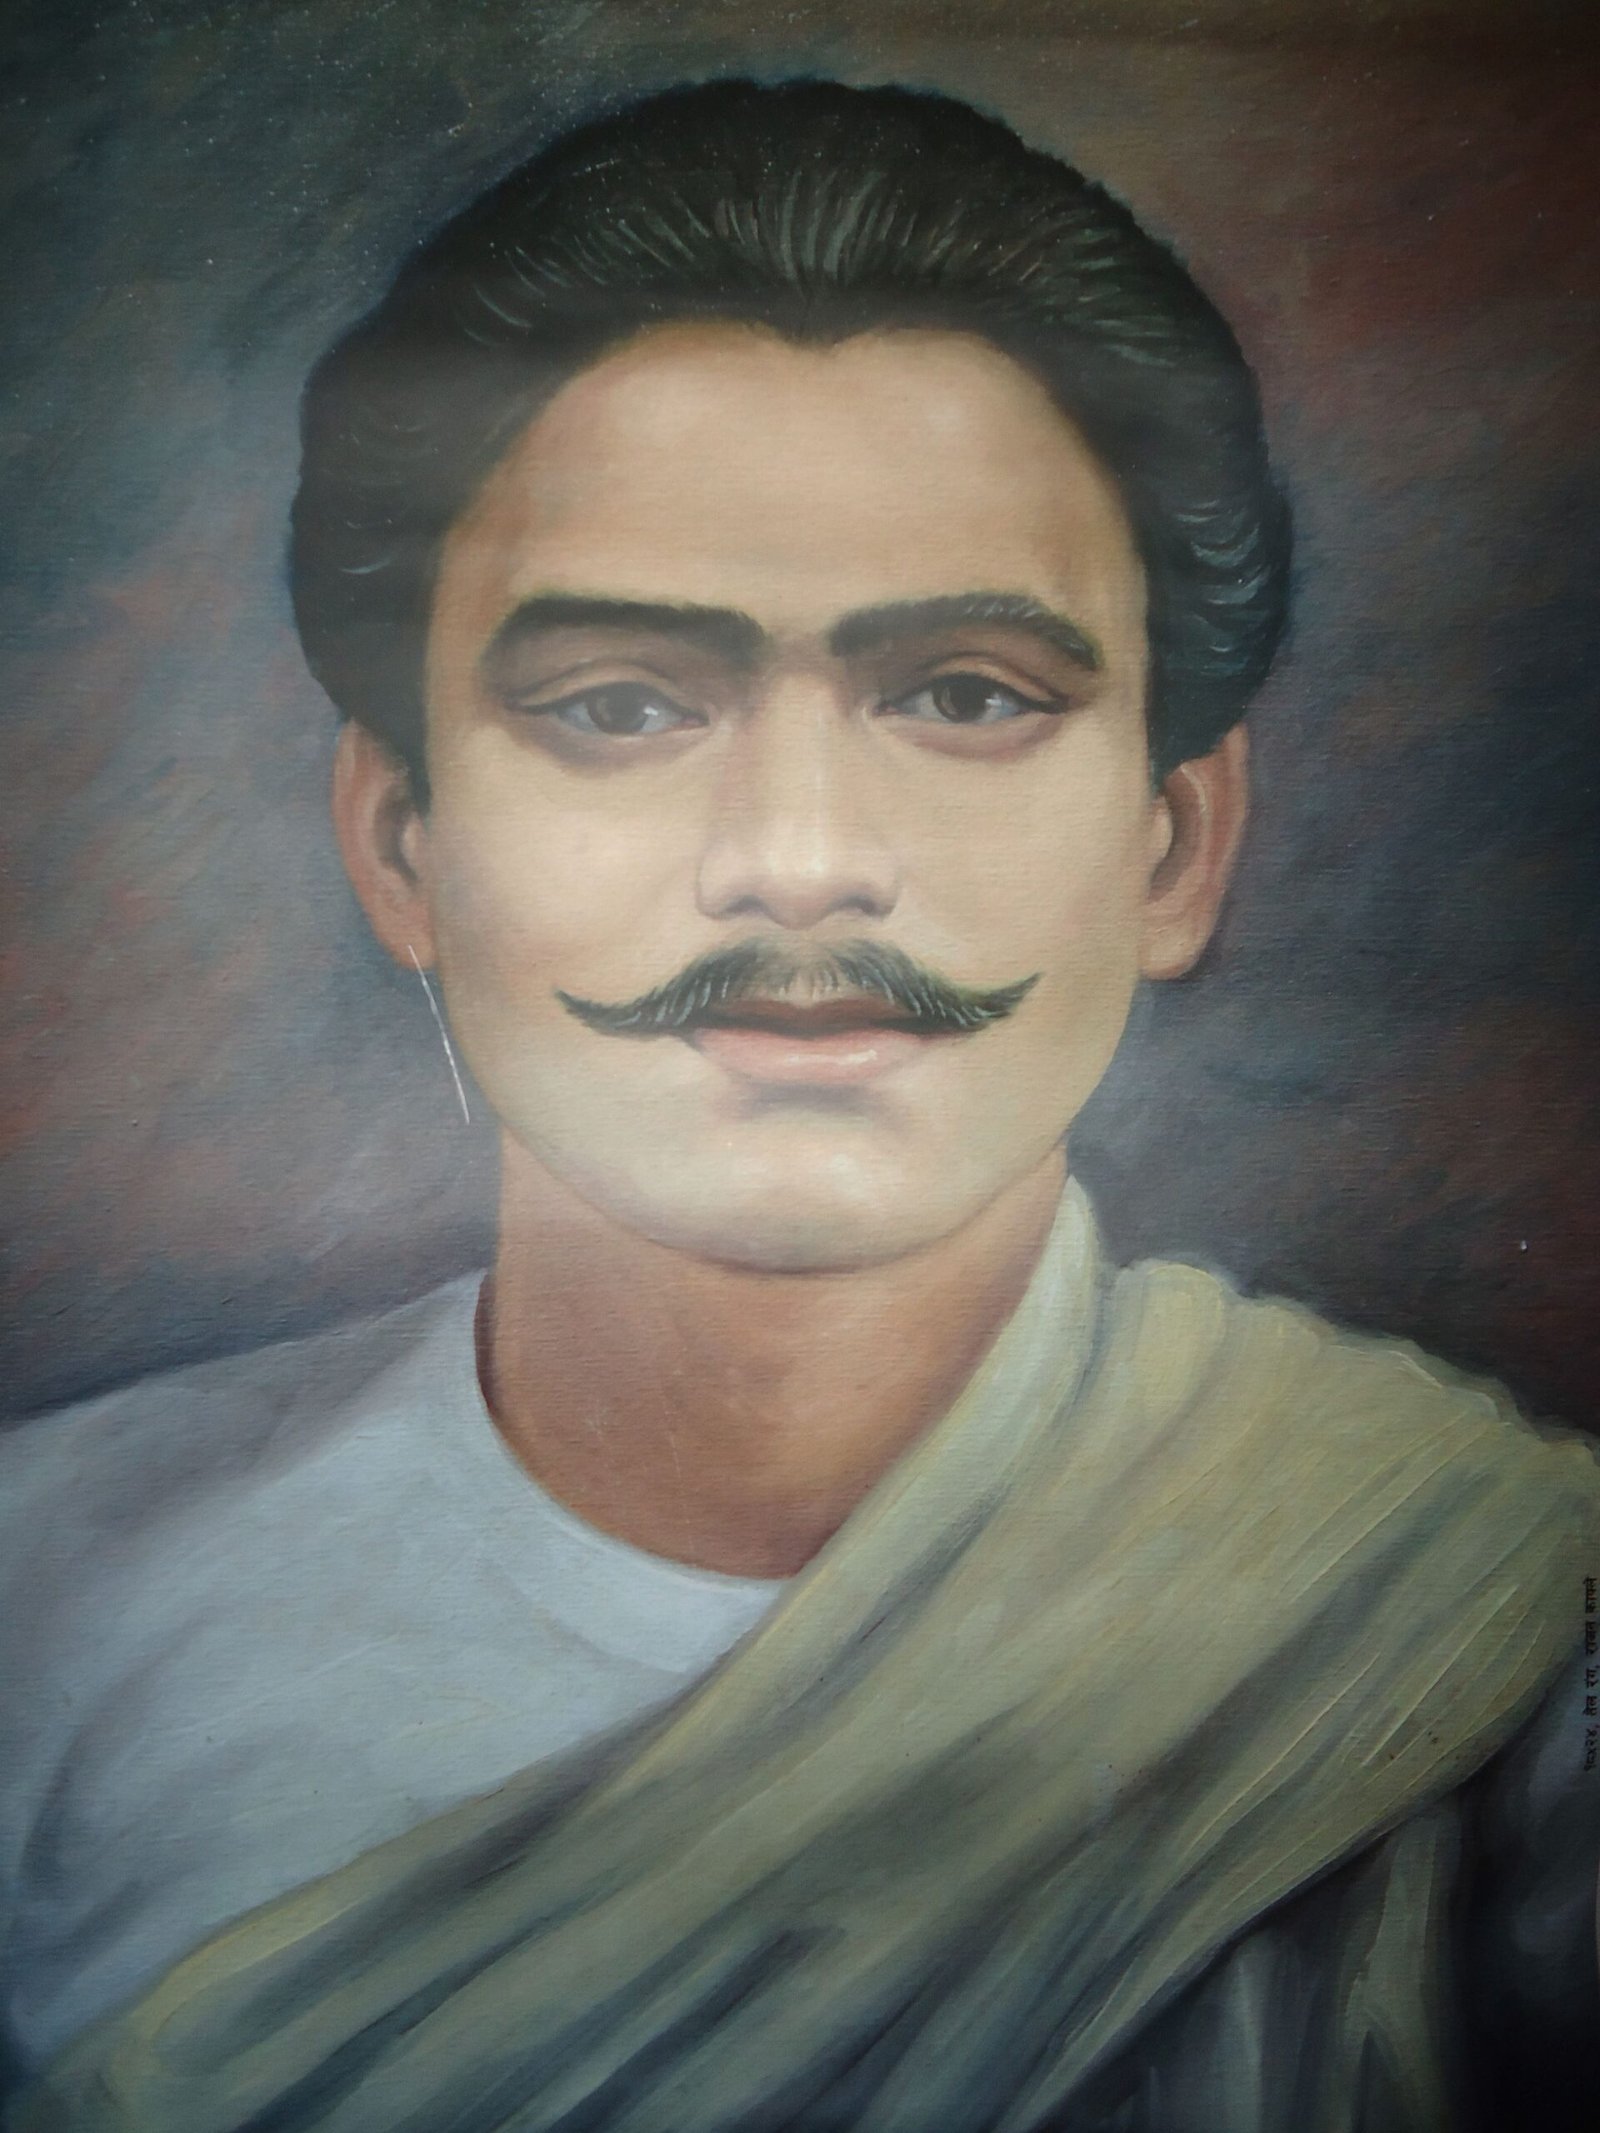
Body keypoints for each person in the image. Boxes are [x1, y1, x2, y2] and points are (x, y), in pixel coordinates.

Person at [1, 77, 1595, 2133]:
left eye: (964, 694)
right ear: (400, 842)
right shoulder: (44, 1610)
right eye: (619, 705)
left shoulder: (1510, 1642)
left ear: (1175, 845)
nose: (801, 860)